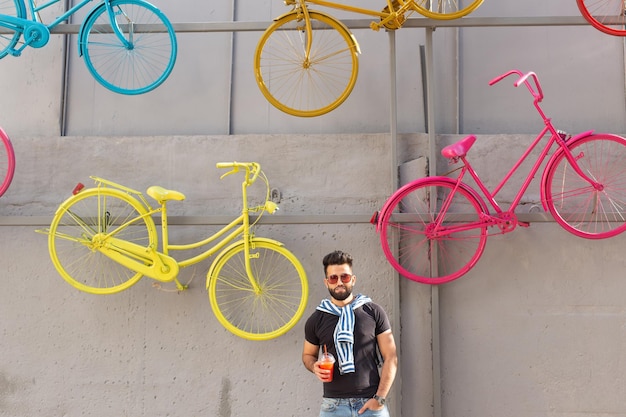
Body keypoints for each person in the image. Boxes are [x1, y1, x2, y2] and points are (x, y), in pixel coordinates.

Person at [302, 250, 398, 416]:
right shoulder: (316, 319)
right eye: (333, 278)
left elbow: (391, 357)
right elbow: (308, 355)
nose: (339, 282)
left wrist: (380, 398)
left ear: (353, 279)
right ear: (326, 282)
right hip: (333, 407)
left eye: (344, 277)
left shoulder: (373, 312)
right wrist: (314, 366)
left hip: (370, 403)